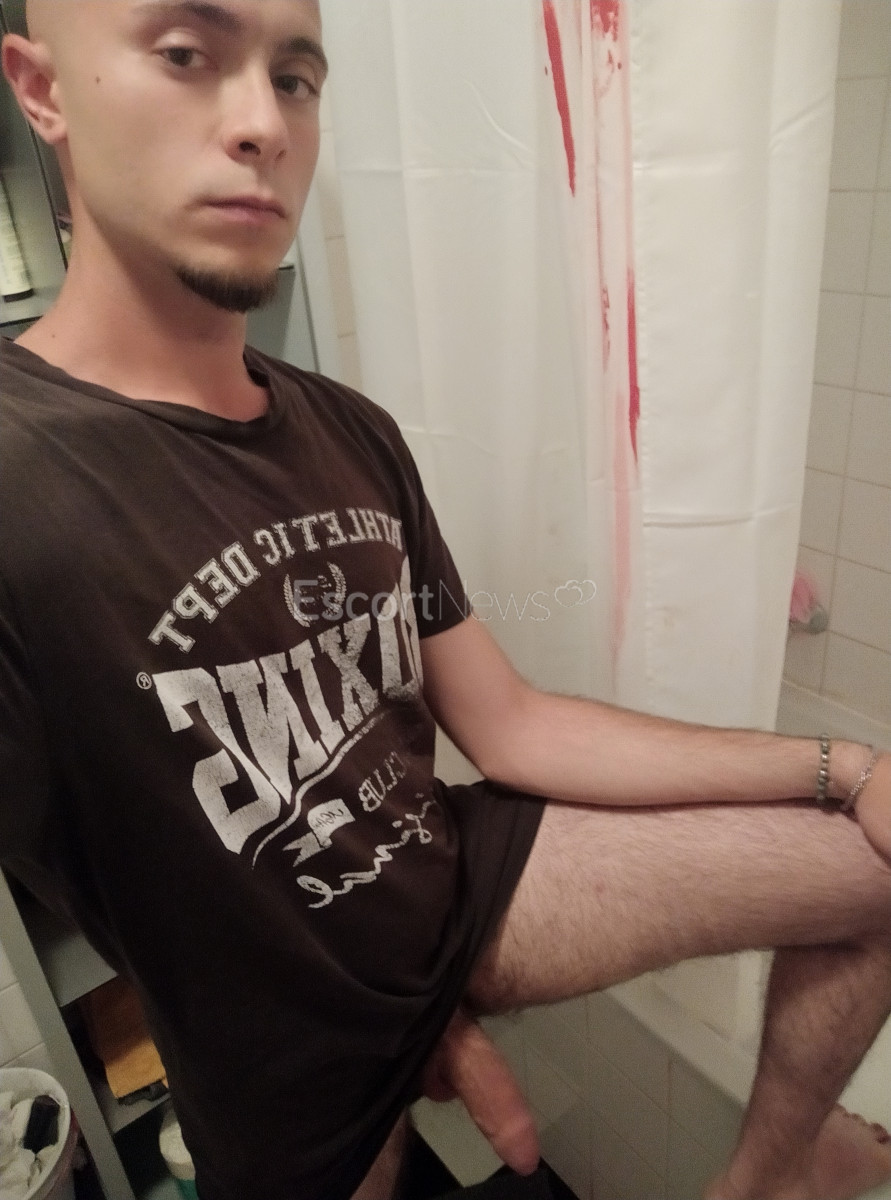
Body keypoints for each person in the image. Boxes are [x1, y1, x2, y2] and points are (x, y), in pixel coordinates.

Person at [0, 3, 888, 1198]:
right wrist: (401, 1021)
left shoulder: (350, 429)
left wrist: (849, 769)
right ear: (41, 89)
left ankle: (772, 1177)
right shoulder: (19, 471)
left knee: (873, 868)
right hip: (287, 1047)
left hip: (455, 884)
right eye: (185, 55)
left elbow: (510, 724)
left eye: (296, 77)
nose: (262, 123)